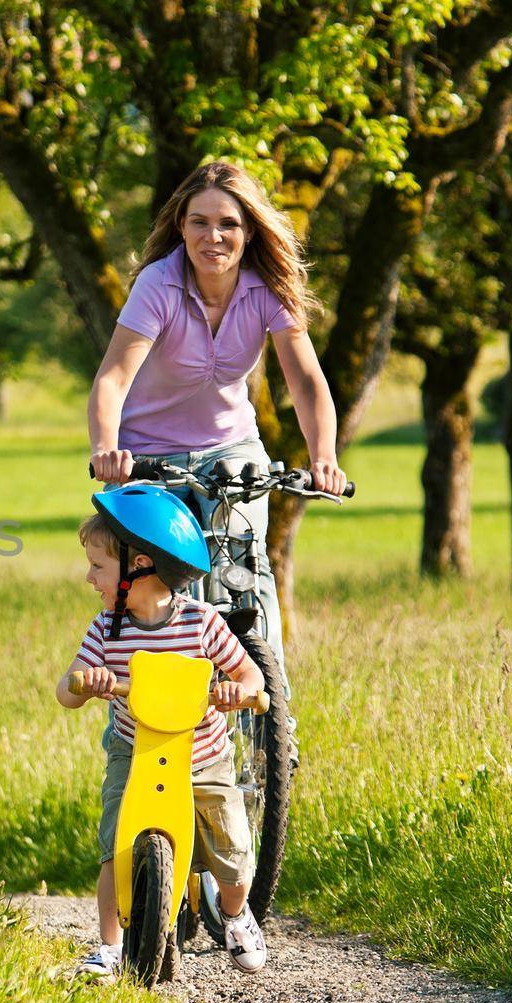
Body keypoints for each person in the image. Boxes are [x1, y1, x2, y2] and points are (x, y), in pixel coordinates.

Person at [88, 160, 348, 679]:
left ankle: (271, 712)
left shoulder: (269, 288)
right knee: (145, 588)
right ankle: (133, 725)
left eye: (228, 223)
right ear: (181, 227)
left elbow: (305, 382)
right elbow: (113, 379)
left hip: (231, 446)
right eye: (200, 222)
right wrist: (107, 449)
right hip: (148, 458)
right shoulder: (158, 285)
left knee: (249, 571)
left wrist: (324, 459)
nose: (214, 236)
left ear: (249, 231)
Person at [56, 484, 268, 982]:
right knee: (117, 848)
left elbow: (250, 677)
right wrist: (88, 685)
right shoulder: (107, 628)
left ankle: (236, 916)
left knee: (233, 855)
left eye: (98, 566)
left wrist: (238, 691)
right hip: (135, 754)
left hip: (204, 757)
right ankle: (110, 946)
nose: (89, 577)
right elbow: (66, 690)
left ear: (141, 566)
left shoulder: (201, 623)